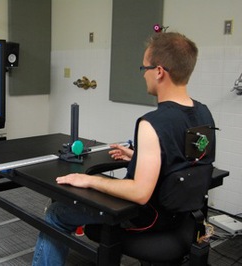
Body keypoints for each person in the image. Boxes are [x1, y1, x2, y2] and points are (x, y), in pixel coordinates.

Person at [32, 32, 216, 265]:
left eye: (144, 68)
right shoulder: (203, 113)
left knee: (57, 213)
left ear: (159, 72)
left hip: (145, 219)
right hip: (183, 219)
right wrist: (138, 158)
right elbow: (186, 162)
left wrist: (89, 180)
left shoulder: (153, 122)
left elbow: (140, 193)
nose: (144, 75)